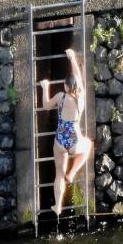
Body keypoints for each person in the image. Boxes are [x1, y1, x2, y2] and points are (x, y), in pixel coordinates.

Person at [39, 49, 90, 216]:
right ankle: (72, 172)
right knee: (88, 146)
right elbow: (78, 77)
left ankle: (58, 206)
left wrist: (45, 87)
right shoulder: (81, 98)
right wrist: (72, 58)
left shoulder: (61, 96)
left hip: (60, 140)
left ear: (66, 86)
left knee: (58, 175)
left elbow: (46, 106)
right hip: (74, 140)